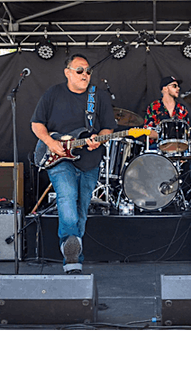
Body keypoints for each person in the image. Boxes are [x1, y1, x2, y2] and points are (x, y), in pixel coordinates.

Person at [32, 55, 117, 274]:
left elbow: (108, 128)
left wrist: (99, 139)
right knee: (67, 195)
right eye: (79, 71)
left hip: (89, 161)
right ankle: (71, 254)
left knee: (81, 209)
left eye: (88, 71)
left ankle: (72, 251)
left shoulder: (99, 96)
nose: (85, 75)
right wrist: (51, 143)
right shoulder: (53, 93)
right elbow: (36, 123)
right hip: (59, 158)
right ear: (67, 72)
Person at [143, 76, 191, 192]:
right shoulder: (154, 107)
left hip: (179, 147)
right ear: (165, 89)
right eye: (174, 86)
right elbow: (148, 132)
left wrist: (180, 146)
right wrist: (165, 138)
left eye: (178, 86)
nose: (178, 88)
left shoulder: (182, 109)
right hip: (159, 147)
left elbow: (186, 132)